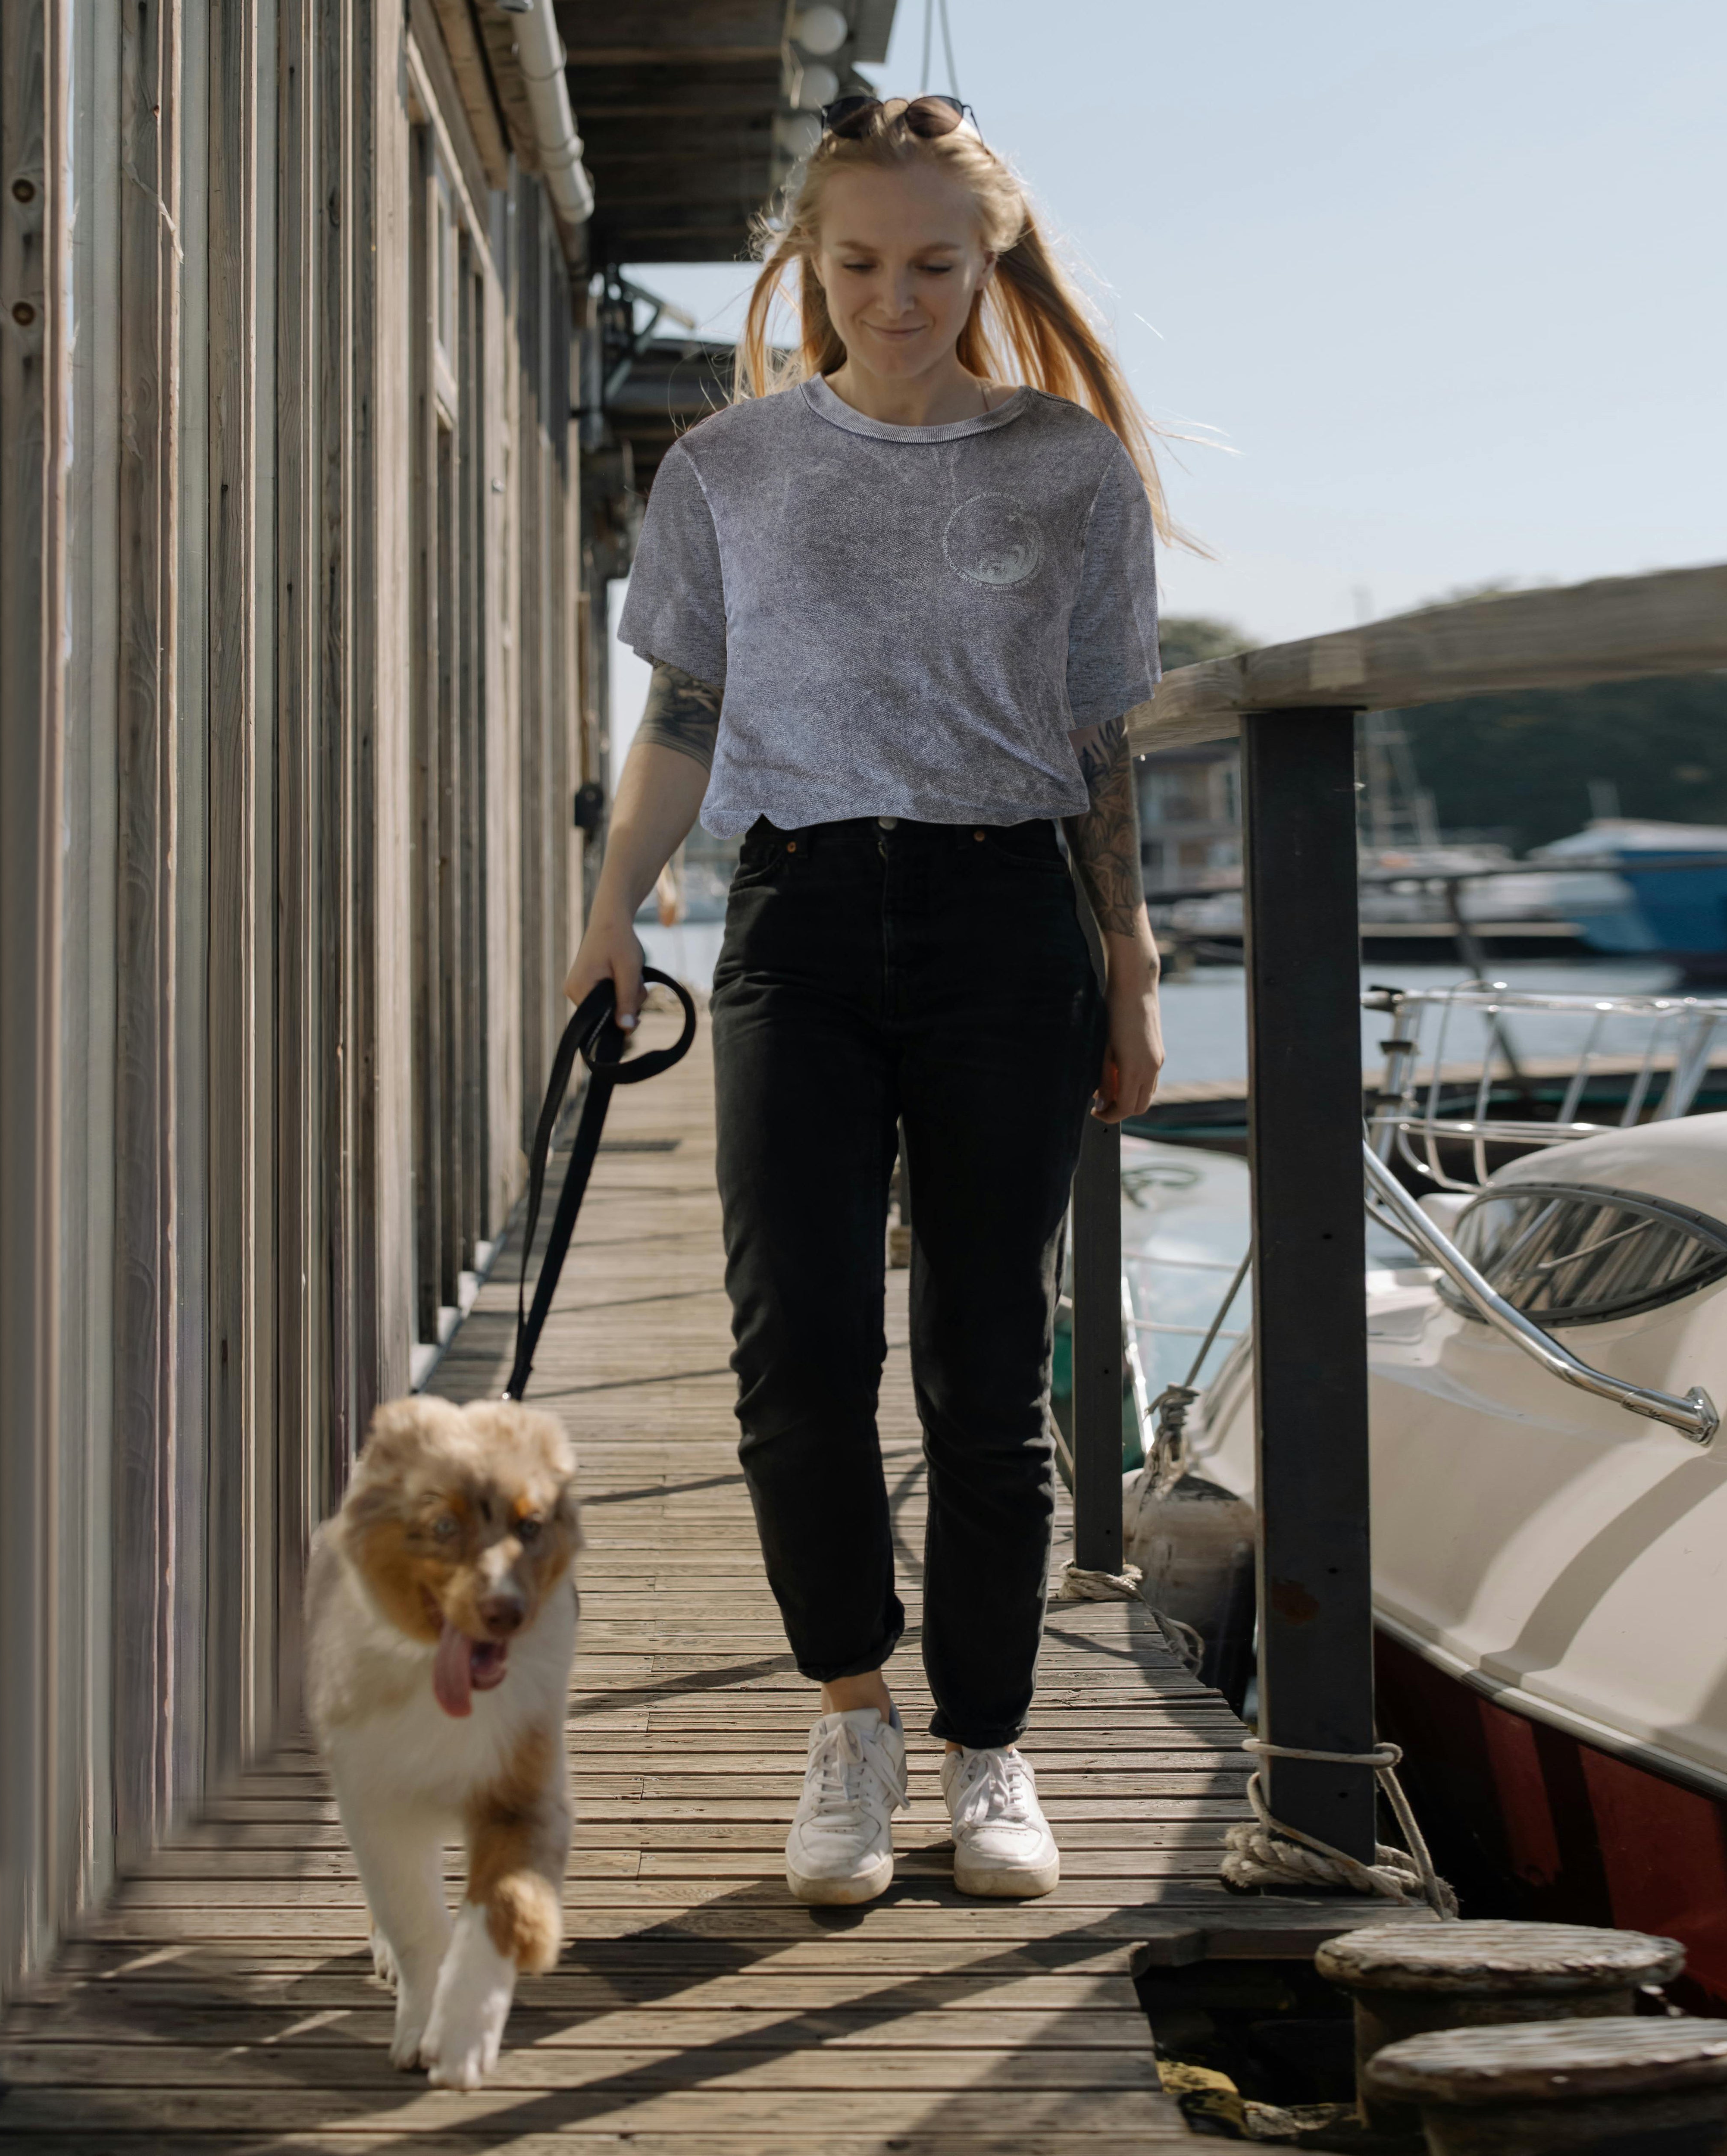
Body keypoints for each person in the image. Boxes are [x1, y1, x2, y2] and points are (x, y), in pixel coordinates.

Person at [566, 94, 1177, 1905]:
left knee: (987, 1373)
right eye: (854, 264)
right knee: (798, 1357)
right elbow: (680, 717)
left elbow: (1093, 744)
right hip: (797, 923)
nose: (891, 298)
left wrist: (1128, 964)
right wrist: (613, 915)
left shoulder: (1064, 466)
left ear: (985, 264)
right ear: (805, 264)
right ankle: (849, 1713)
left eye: (931, 264)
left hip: (1009, 925)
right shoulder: (731, 469)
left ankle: (992, 1744)